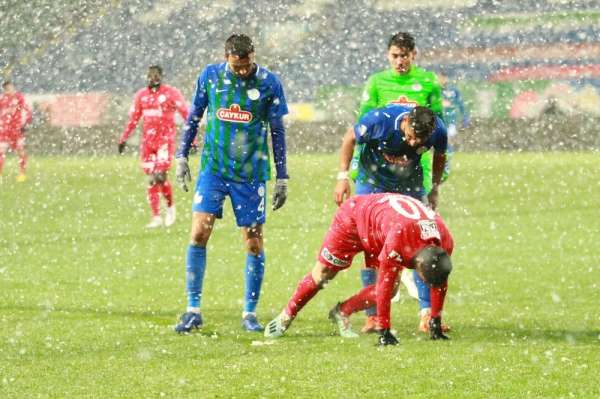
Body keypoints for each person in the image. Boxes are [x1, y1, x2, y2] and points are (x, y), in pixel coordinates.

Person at [173, 34, 289, 333]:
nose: (242, 71)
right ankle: (193, 309)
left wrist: (282, 176)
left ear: (253, 56)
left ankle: (250, 313)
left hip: (251, 174)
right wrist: (182, 155)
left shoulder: (269, 82)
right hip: (213, 169)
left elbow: (277, 131)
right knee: (199, 232)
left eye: (247, 65)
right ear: (227, 57)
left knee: (252, 240)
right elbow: (194, 115)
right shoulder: (210, 76)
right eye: (237, 66)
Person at [345, 32, 445, 334]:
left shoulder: (427, 83)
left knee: (422, 241)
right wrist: (350, 172)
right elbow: (359, 129)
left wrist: (433, 180)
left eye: (405, 55)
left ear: (414, 55)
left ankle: (427, 312)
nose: (400, 61)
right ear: (388, 56)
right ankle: (374, 314)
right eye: (394, 56)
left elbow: (435, 128)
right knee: (370, 243)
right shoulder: (377, 83)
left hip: (413, 174)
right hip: (376, 172)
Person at [264, 193, 454, 346]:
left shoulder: (445, 241)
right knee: (323, 274)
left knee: (393, 288)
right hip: (353, 219)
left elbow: (440, 282)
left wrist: (435, 322)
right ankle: (286, 316)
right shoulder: (399, 241)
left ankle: (342, 311)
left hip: (380, 228)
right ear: (417, 267)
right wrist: (384, 330)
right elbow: (384, 284)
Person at [118, 65, 188, 228]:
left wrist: (192, 140)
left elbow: (186, 114)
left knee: (160, 176)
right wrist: (123, 139)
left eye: (156, 75)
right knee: (151, 180)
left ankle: (170, 207)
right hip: (148, 144)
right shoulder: (142, 96)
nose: (153, 78)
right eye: (151, 75)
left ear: (162, 76)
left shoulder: (171, 93)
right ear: (147, 76)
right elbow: (134, 119)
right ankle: (156, 217)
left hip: (165, 142)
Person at [438, 73, 469, 180]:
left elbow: (460, 104)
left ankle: (446, 164)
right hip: (440, 121)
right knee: (442, 143)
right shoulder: (436, 91)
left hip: (451, 121)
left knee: (448, 141)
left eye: (443, 77)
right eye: (439, 78)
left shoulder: (453, 91)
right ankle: (443, 163)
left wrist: (465, 116)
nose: (441, 80)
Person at [0, 80, 32, 182]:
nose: (9, 90)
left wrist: (26, 123)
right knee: (1, 151)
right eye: (7, 88)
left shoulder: (19, 98)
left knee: (20, 151)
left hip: (16, 129)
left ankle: (22, 174)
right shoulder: (2, 99)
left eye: (10, 87)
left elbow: (27, 111)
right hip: (4, 130)